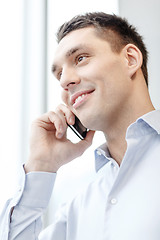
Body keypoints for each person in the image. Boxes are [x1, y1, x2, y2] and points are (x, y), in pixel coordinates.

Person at [0, 11, 160, 240]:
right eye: (59, 74)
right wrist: (40, 165)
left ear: (130, 59)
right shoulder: (76, 208)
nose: (65, 80)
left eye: (80, 58)